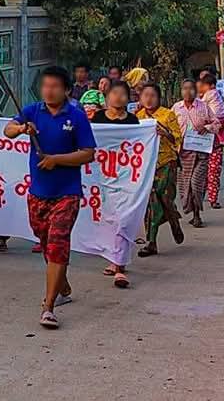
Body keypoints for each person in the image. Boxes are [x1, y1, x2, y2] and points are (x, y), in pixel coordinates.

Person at [5, 66, 96, 329]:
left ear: (66, 89)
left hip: (67, 193)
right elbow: (7, 130)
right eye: (45, 85)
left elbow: (88, 153)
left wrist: (56, 160)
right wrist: (22, 128)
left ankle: (48, 306)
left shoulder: (76, 116)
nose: (49, 90)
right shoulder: (33, 111)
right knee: (45, 242)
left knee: (57, 243)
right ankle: (62, 283)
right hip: (38, 194)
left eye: (55, 86)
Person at [91, 80, 139, 289]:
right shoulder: (98, 118)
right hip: (103, 176)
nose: (118, 97)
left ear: (128, 98)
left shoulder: (133, 121)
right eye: (114, 93)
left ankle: (118, 265)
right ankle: (114, 257)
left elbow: (140, 146)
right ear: (106, 97)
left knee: (125, 218)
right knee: (109, 218)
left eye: (122, 94)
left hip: (127, 176)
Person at [135, 83, 185, 256]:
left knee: (165, 198)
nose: (149, 99)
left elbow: (177, 139)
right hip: (146, 165)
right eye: (145, 95)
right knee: (150, 202)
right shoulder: (138, 117)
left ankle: (173, 218)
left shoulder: (167, 114)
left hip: (166, 163)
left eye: (152, 95)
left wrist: (164, 133)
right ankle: (152, 242)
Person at [172, 79, 218, 228]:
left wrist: (208, 127)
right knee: (185, 185)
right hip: (183, 154)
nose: (188, 91)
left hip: (201, 153)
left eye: (191, 88)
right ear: (181, 91)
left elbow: (217, 123)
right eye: (185, 88)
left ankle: (197, 214)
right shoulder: (176, 108)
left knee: (196, 183)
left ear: (196, 91)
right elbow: (169, 126)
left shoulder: (203, 107)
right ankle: (193, 212)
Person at [196, 70, 224, 209]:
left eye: (202, 84)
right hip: (207, 138)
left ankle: (211, 197)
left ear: (208, 85)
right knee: (207, 171)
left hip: (210, 139)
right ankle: (209, 196)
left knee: (213, 170)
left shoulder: (210, 95)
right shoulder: (213, 96)